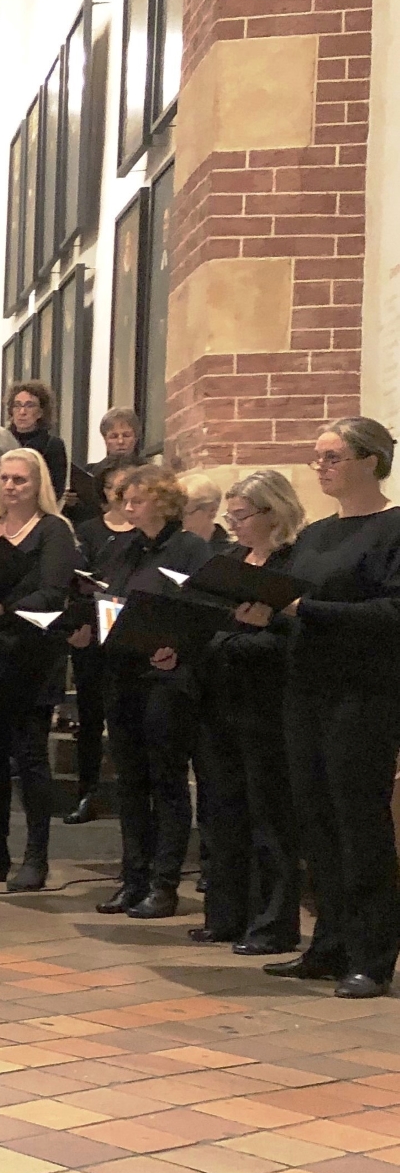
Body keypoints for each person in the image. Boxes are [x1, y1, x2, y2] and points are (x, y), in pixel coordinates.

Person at [255, 418, 400, 998]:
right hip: (306, 690)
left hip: (363, 696)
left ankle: (372, 954)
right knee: (315, 821)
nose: (320, 466)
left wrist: (302, 611)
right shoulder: (314, 535)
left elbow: (392, 615)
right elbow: (286, 601)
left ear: (370, 459)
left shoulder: (393, 528)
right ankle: (330, 944)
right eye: (317, 457)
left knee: (360, 825)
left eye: (331, 456)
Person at [86, 464, 218, 920]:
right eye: (125, 499)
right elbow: (107, 599)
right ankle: (133, 878)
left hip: (166, 677)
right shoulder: (121, 546)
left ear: (162, 501)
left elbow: (205, 610)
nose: (127, 507)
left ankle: (164, 885)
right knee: (129, 782)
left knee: (166, 780)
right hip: (122, 672)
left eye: (136, 499)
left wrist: (177, 648)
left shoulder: (190, 549)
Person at [0, 449, 79, 893]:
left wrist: (1, 609)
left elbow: (53, 593)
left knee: (31, 760)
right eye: (4, 478)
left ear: (37, 483)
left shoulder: (53, 530)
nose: (9, 486)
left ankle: (36, 856)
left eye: (20, 480)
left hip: (29, 656)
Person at [189, 470, 302, 956]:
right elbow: (208, 618)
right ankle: (225, 915)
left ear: (272, 512)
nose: (232, 525)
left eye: (241, 516)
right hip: (221, 697)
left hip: (269, 702)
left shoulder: (293, 563)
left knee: (269, 815)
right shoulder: (230, 561)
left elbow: (300, 638)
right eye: (229, 515)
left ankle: (272, 923)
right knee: (221, 810)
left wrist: (268, 622)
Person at [61, 461, 137, 826]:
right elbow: (75, 580)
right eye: (113, 486)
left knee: (129, 716)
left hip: (132, 628)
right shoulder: (89, 530)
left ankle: (132, 793)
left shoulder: (143, 532)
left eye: (128, 485)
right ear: (104, 492)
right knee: (91, 717)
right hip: (93, 625)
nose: (120, 492)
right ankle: (87, 792)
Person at [5, 380, 69, 500]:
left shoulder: (52, 445)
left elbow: (56, 489)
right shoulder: (1, 440)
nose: (22, 412)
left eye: (29, 406)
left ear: (40, 412)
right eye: (17, 405)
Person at [178, 472, 229, 547]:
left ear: (212, 511)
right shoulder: (169, 548)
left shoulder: (230, 553)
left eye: (185, 513)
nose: (178, 520)